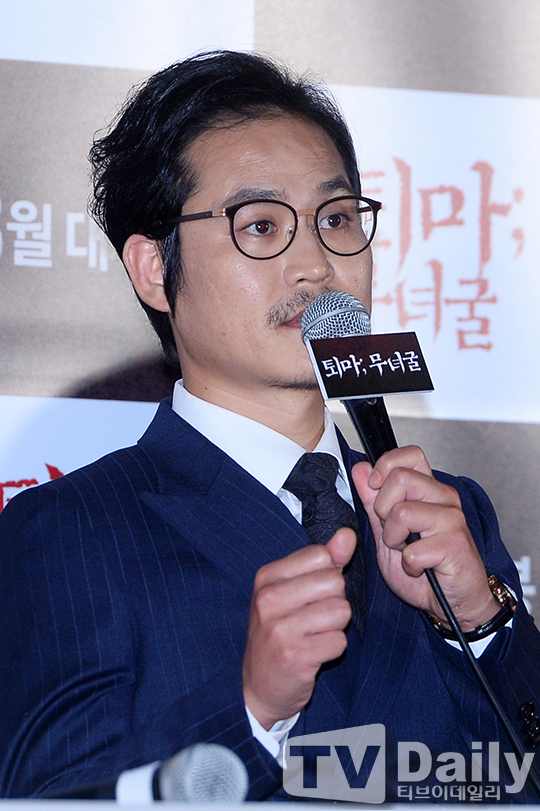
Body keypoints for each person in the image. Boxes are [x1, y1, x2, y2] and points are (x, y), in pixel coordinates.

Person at [0, 50, 539, 802]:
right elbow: (50, 795)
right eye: (260, 226)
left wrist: (481, 624)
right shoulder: (67, 532)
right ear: (153, 268)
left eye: (337, 218)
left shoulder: (454, 513)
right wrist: (250, 711)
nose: (315, 265)